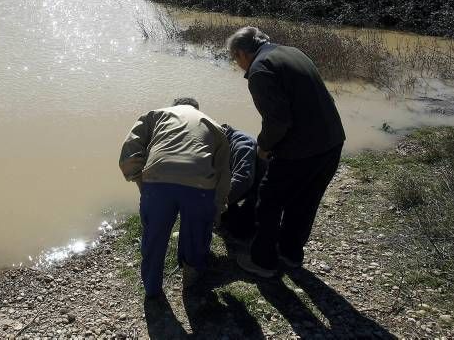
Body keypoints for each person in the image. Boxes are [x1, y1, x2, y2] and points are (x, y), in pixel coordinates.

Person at [226, 26, 345, 278]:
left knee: (268, 200)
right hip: (332, 141)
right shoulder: (292, 52)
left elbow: (277, 121)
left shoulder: (259, 70)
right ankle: (290, 254)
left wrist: (264, 147)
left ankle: (263, 262)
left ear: (240, 53)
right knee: (305, 200)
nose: (237, 65)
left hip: (300, 150)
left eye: (234, 58)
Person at [119, 97, 231, 299]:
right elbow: (223, 173)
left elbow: (130, 148)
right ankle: (191, 280)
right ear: (197, 109)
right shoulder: (213, 125)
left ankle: (152, 289)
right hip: (199, 184)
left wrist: (139, 179)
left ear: (174, 107)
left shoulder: (156, 114)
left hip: (157, 178)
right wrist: (218, 207)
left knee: (154, 236)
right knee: (197, 233)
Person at [219, 124, 268, 241]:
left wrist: (218, 205)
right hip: (246, 185)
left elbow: (243, 180)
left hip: (260, 189)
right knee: (223, 218)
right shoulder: (223, 143)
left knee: (240, 232)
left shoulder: (243, 145)